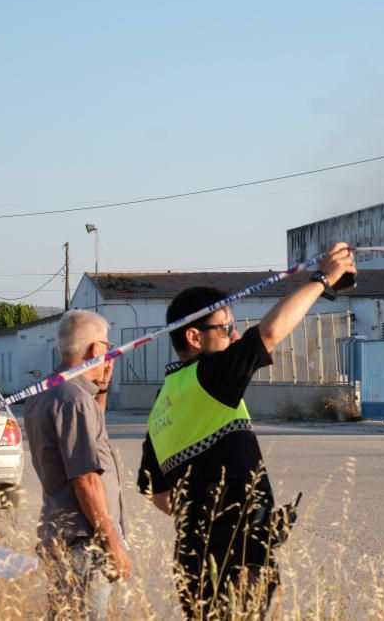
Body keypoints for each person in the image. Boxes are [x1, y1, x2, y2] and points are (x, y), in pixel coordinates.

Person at [136, 242, 356, 617]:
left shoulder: (164, 401)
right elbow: (269, 334)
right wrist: (323, 279)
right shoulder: (210, 376)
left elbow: (156, 494)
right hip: (237, 558)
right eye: (226, 329)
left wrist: (204, 518)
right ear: (194, 337)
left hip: (192, 557)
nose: (235, 336)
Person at [25, 310, 131, 620]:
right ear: (96, 349)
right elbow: (85, 477)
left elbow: (89, 440)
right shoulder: (74, 400)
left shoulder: (48, 390)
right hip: (84, 543)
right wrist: (112, 540)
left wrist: (103, 388)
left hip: (61, 535)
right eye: (107, 346)